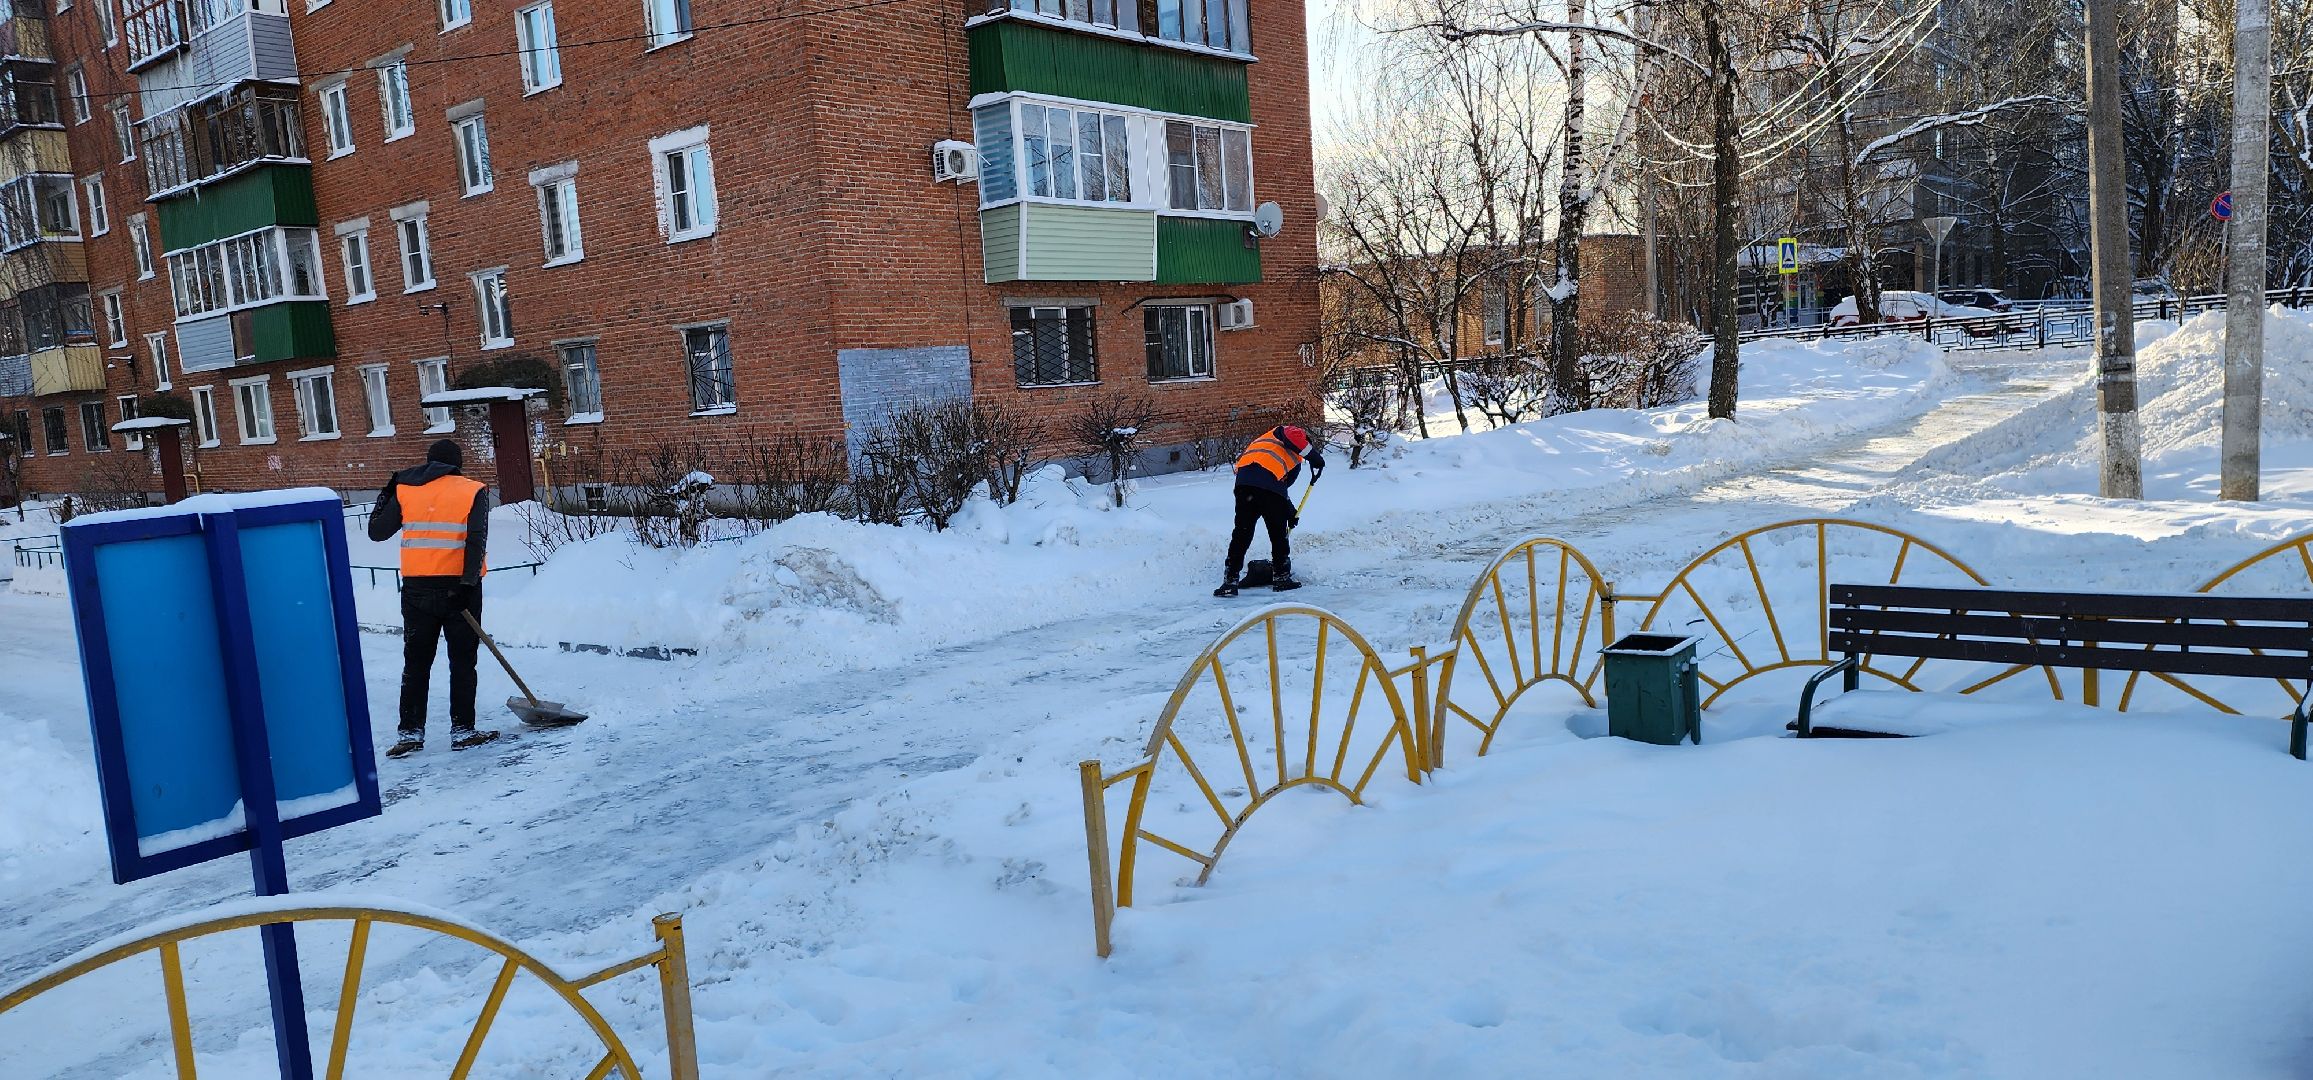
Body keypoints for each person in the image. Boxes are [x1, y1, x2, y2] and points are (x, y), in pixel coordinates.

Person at [370, 439, 500, 757]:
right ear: (458, 463)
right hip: (460, 590)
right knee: (463, 661)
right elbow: (476, 541)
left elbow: (376, 531)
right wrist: (467, 585)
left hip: (416, 591)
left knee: (416, 663)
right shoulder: (472, 490)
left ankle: (410, 733)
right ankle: (462, 730)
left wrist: (387, 491)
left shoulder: (406, 488)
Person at [1217, 424, 1324, 597]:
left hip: (1245, 485)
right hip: (1265, 487)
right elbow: (1276, 488)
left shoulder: (1266, 443)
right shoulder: (1288, 432)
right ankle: (1281, 577)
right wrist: (1315, 457)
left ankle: (1230, 581)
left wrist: (1289, 512)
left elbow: (1282, 489)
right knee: (1277, 532)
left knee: (1242, 532)